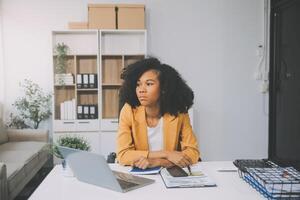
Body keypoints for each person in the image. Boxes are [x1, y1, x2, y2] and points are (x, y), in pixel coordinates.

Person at [117, 58, 200, 169]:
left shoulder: (179, 112)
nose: (141, 90)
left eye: (149, 84)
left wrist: (160, 162)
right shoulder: (129, 110)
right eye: (138, 84)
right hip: (140, 174)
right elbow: (123, 155)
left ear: (163, 88)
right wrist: (167, 154)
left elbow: (193, 152)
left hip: (170, 174)